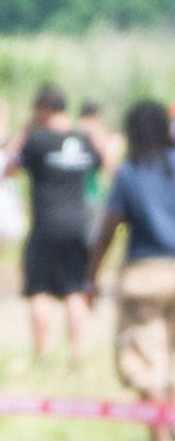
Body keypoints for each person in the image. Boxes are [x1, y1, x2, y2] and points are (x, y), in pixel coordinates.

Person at [85, 99, 175, 441]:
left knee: (146, 361)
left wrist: (91, 277)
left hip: (145, 274)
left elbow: (108, 231)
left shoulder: (130, 172)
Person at [6, 83, 103, 365]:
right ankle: (77, 355)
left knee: (40, 291)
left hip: (46, 224)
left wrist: (25, 133)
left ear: (44, 109)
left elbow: (9, 170)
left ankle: (42, 355)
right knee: (74, 290)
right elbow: (101, 163)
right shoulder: (83, 140)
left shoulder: (37, 141)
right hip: (78, 224)